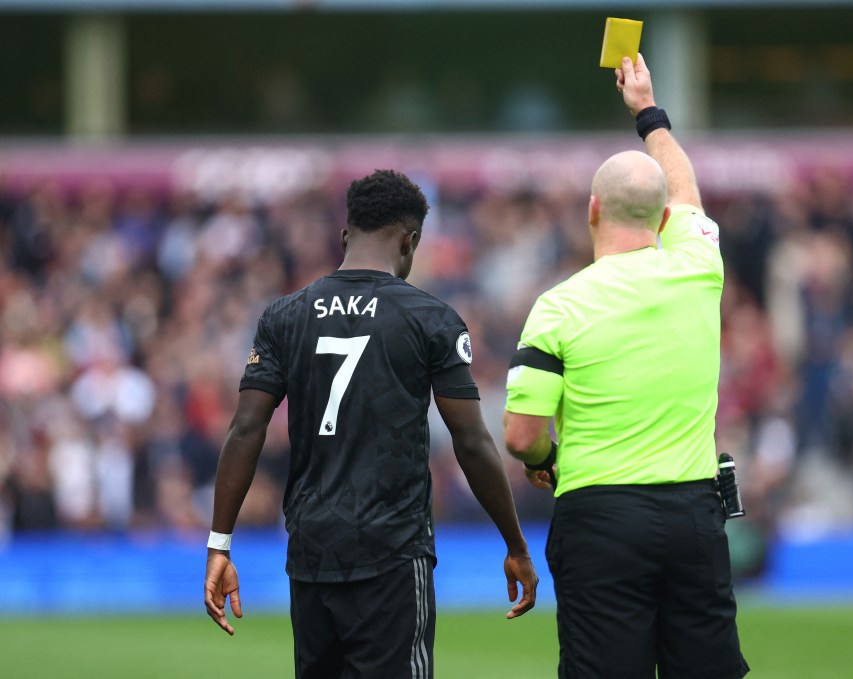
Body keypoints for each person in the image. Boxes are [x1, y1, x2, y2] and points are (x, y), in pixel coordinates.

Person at [204, 169, 538, 678]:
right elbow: (471, 441)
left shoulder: (284, 316)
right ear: (411, 241)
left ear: (345, 236)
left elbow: (245, 430)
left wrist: (219, 543)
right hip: (392, 553)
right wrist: (515, 544)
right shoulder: (432, 319)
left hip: (312, 552)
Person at [502, 55, 749, 678]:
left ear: (592, 210)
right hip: (694, 513)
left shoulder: (557, 307)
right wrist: (647, 113)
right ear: (664, 218)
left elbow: (521, 434)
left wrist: (544, 463)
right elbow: (686, 190)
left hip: (601, 518)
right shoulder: (698, 268)